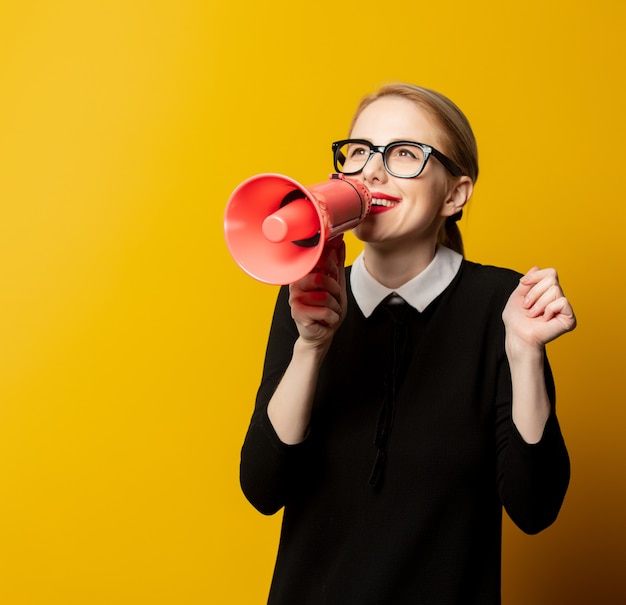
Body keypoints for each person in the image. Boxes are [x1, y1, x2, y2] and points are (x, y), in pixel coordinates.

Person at [239, 83, 576, 605]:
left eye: (402, 154)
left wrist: (524, 353)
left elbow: (535, 509)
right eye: (358, 153)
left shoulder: (503, 306)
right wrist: (310, 347)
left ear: (455, 194)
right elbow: (263, 489)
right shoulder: (307, 295)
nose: (371, 171)